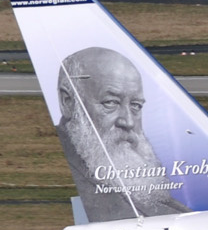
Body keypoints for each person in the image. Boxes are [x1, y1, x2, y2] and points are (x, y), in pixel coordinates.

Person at [55, 47, 189, 221]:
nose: (128, 122)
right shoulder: (84, 181)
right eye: (111, 102)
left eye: (136, 106)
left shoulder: (123, 176)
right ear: (68, 102)